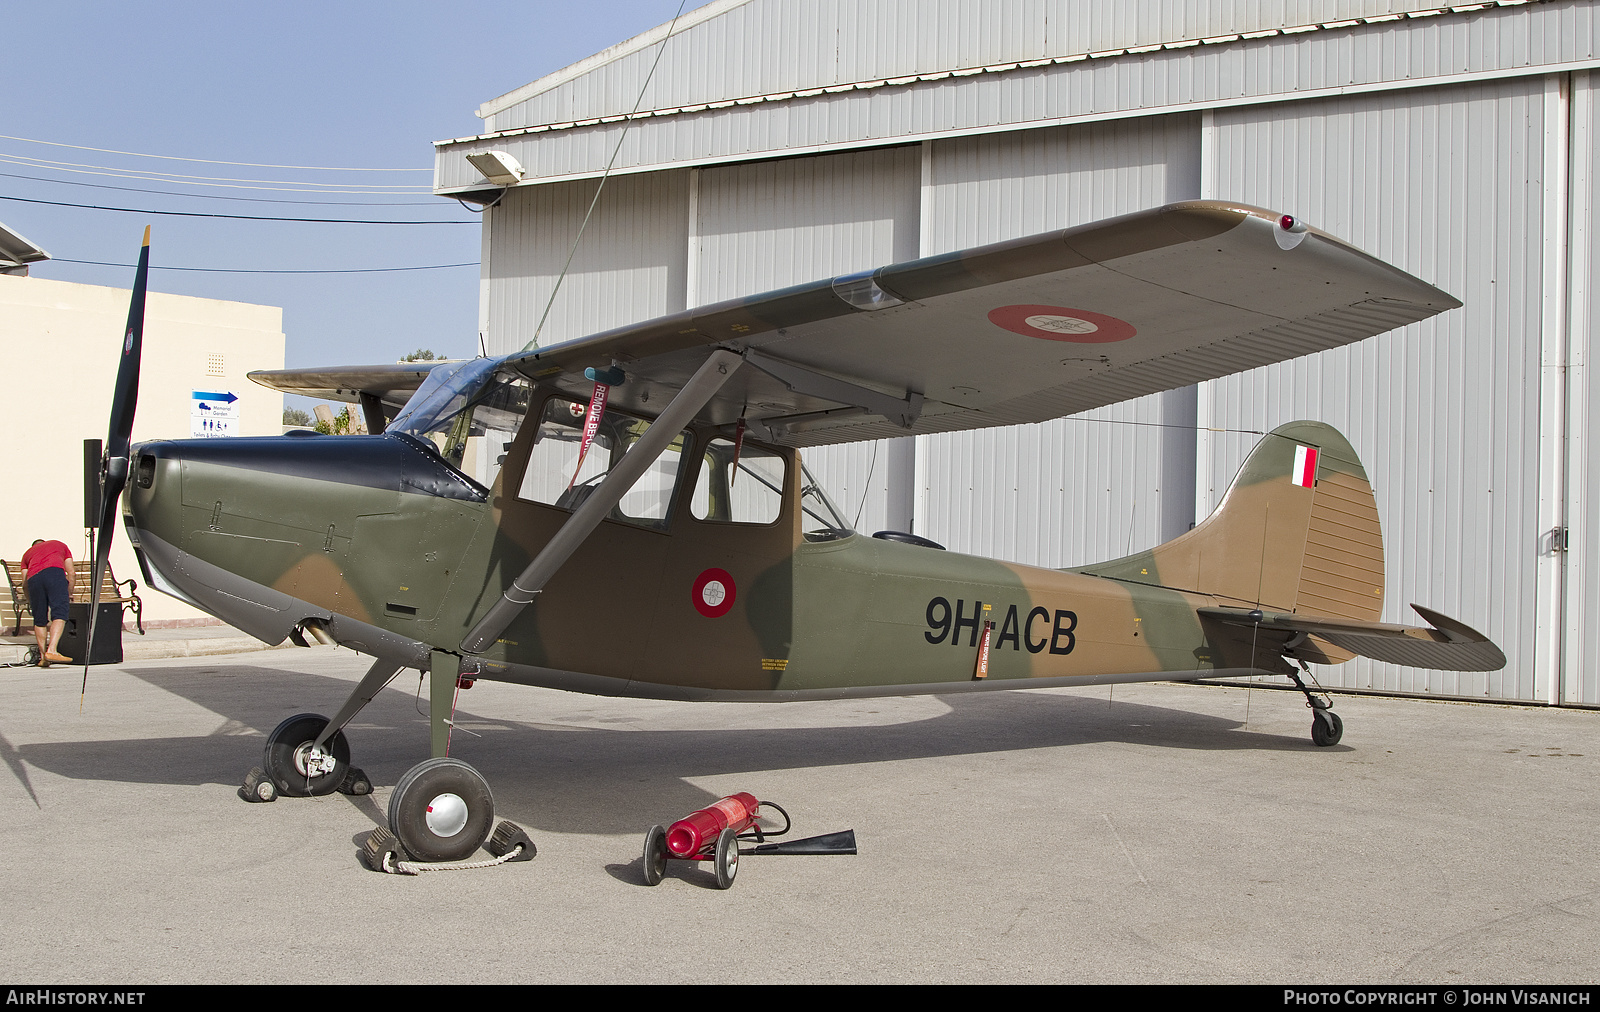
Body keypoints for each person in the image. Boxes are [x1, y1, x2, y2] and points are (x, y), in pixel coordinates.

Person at [21, 539, 74, 667]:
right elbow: (71, 572)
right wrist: (69, 593)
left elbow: (25, 584)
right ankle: (52, 650)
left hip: (34, 578)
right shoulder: (59, 544)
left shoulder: (27, 554)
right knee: (60, 614)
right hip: (54, 573)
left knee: (39, 619)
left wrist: (30, 601)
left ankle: (43, 656)